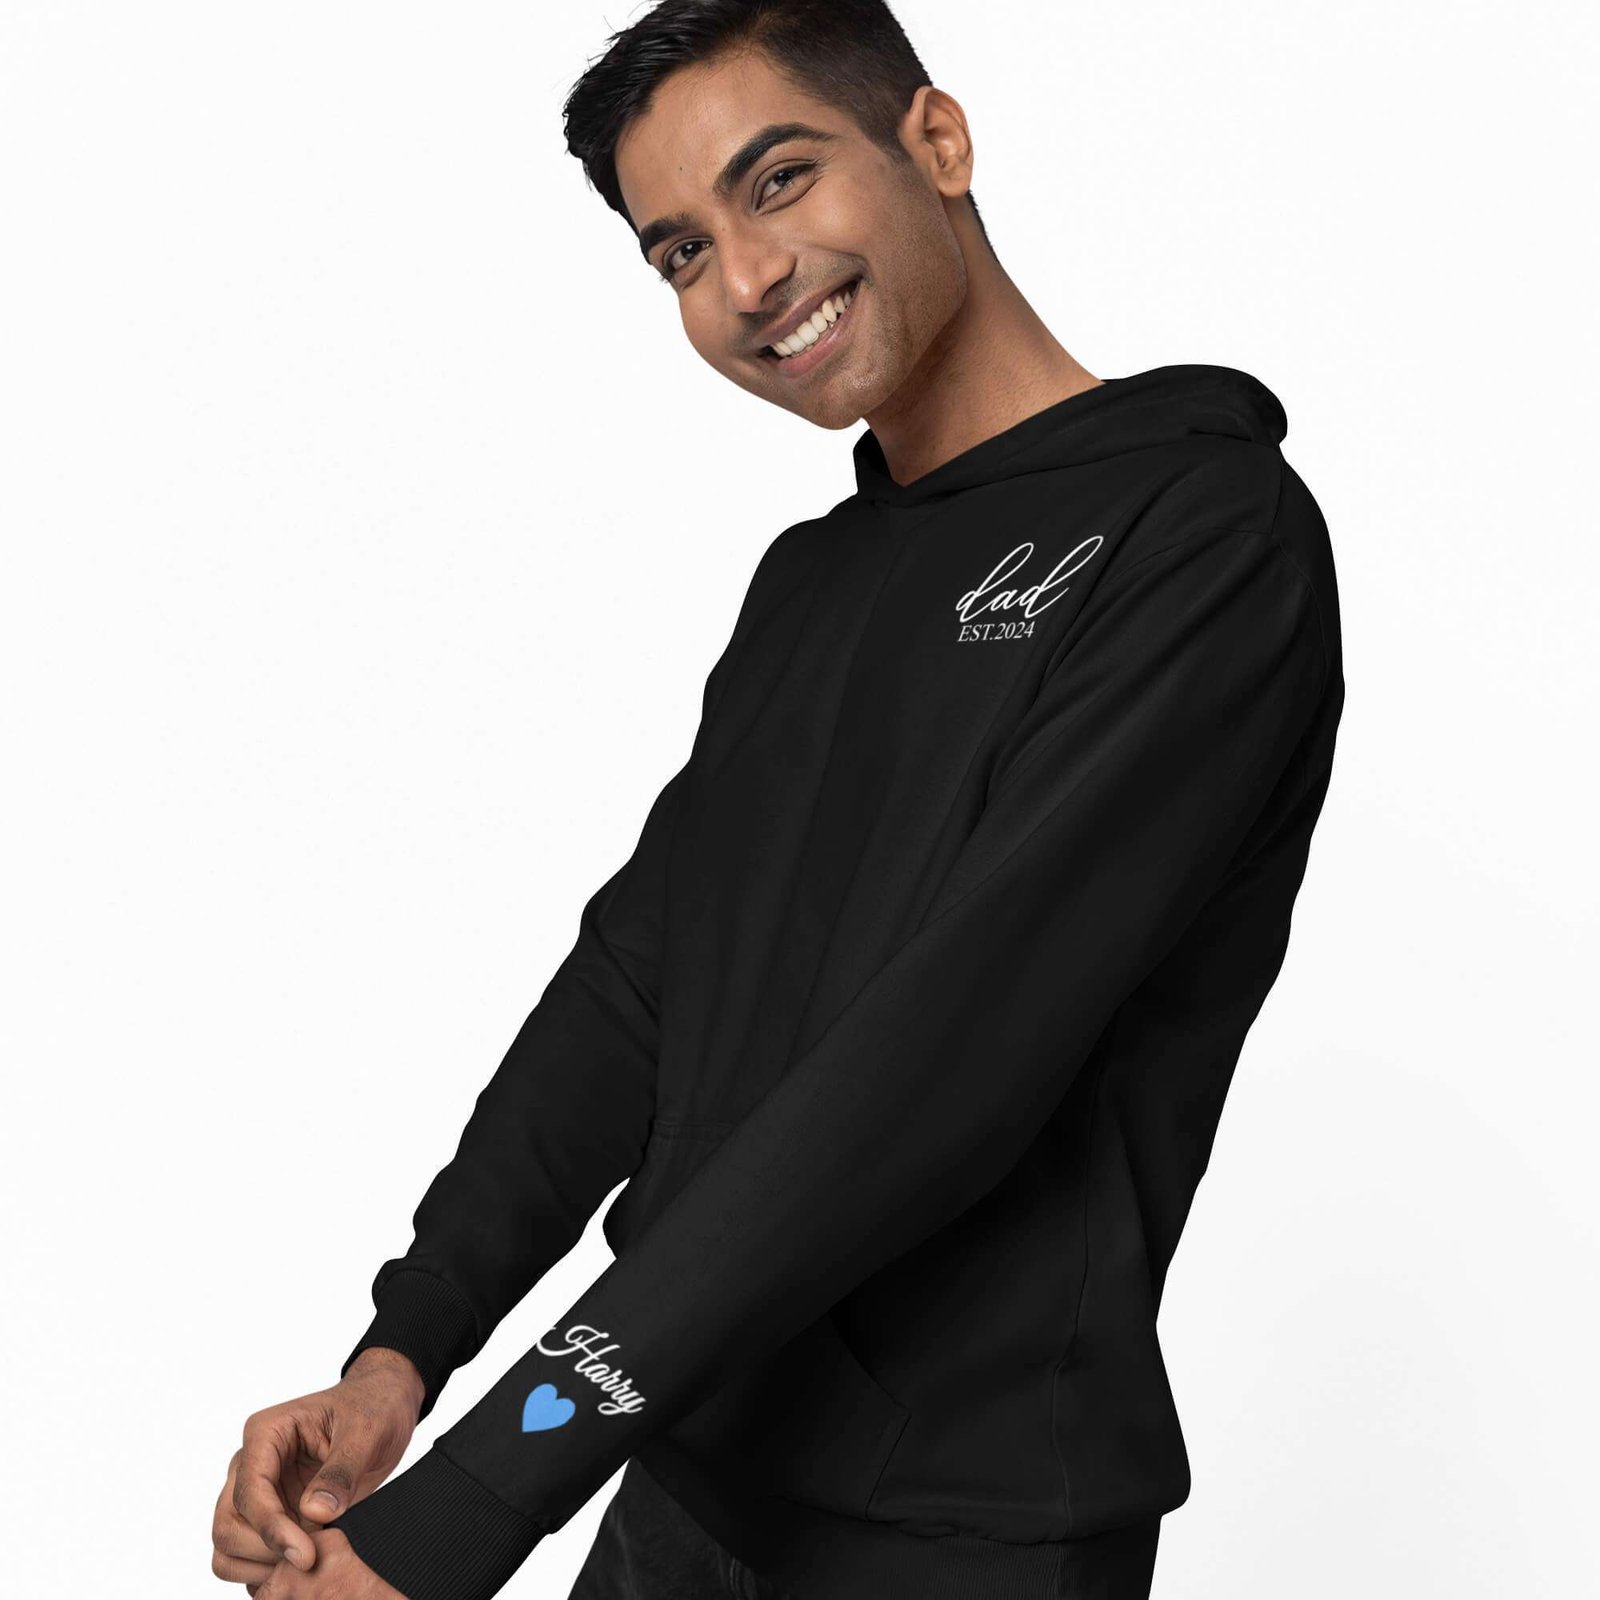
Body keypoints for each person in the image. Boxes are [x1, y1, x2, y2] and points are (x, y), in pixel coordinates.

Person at [209, 2, 1345, 1597]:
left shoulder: (1201, 537)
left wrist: (478, 1497)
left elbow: (933, 1069)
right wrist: (405, 1353)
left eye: (779, 180)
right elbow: (640, 984)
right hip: (690, 1475)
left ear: (936, 141)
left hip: (962, 1536)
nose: (746, 278)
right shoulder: (813, 583)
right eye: (680, 251)